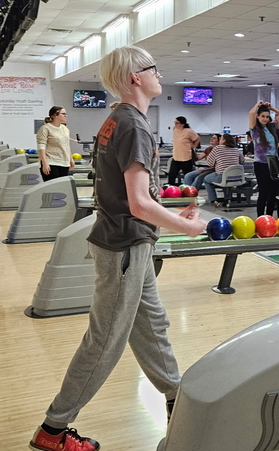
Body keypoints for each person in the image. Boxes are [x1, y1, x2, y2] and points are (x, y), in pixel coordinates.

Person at [30, 46, 206, 451]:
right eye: (153, 68)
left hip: (130, 243)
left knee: (151, 325)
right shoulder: (134, 126)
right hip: (125, 245)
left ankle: (176, 399)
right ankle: (53, 430)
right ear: (134, 77)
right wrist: (186, 227)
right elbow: (138, 203)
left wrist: (171, 210)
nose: (159, 73)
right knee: (105, 340)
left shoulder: (117, 120)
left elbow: (137, 195)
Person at [248, 101, 279, 217]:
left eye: (267, 116)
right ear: (258, 116)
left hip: (274, 163)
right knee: (263, 192)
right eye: (263, 116)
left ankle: (270, 217)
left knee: (273, 193)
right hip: (261, 164)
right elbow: (251, 113)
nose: (265, 119)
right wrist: (257, 104)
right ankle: (261, 218)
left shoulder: (272, 127)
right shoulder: (255, 129)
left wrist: (273, 108)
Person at [201, 134, 244, 208]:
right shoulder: (236, 149)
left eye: (221, 139)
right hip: (237, 177)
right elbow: (242, 161)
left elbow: (209, 163)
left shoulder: (217, 148)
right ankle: (227, 199)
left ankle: (213, 200)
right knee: (227, 181)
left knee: (206, 179)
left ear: (224, 140)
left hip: (221, 176)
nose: (219, 140)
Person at [36, 106, 75, 182]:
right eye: (63, 114)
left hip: (64, 162)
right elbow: (41, 147)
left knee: (61, 187)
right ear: (55, 115)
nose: (65, 115)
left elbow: (67, 145)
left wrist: (71, 159)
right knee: (52, 187)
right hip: (51, 162)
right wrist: (44, 163)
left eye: (66, 114)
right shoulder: (45, 128)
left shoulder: (65, 129)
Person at [167, 116, 200, 186]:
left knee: (187, 176)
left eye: (177, 123)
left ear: (182, 124)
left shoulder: (188, 131)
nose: (175, 124)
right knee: (171, 175)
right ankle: (170, 189)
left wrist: (194, 146)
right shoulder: (175, 131)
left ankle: (189, 189)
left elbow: (197, 138)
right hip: (176, 157)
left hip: (186, 157)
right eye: (174, 123)